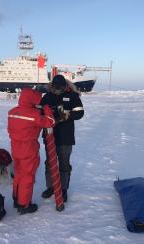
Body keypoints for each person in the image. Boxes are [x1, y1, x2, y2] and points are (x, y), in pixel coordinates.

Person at [7, 88, 55, 214]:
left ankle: (16, 199)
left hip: (15, 148)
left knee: (19, 174)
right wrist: (46, 109)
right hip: (28, 149)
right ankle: (24, 205)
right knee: (27, 177)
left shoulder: (12, 112)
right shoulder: (34, 115)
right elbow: (50, 122)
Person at [40, 74, 84, 202]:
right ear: (52, 86)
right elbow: (39, 112)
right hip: (49, 135)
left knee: (64, 163)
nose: (57, 90)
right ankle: (51, 187)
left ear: (65, 86)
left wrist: (66, 114)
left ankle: (63, 189)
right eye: (55, 87)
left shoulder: (73, 96)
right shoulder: (47, 97)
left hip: (66, 136)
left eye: (60, 87)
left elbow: (80, 112)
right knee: (49, 162)